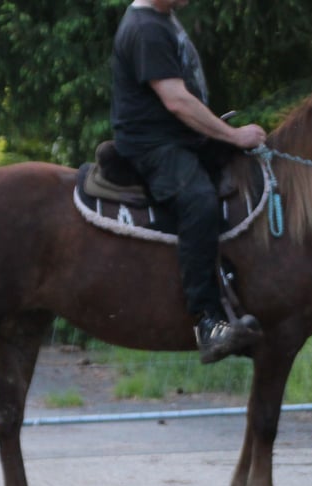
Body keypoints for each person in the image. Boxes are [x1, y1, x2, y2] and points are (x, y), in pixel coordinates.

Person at [110, 0, 266, 364]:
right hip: (154, 147)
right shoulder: (146, 28)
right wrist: (233, 135)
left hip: (179, 140)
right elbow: (177, 101)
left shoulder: (163, 18)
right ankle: (208, 323)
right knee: (198, 201)